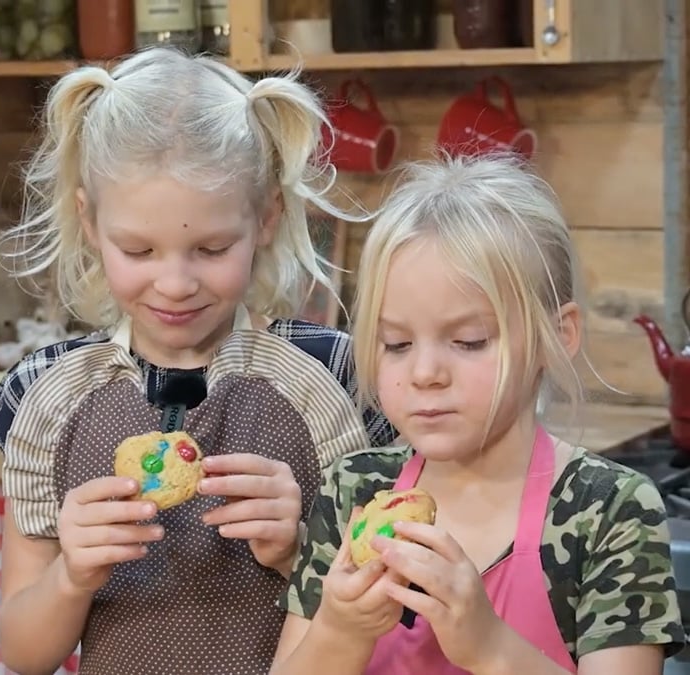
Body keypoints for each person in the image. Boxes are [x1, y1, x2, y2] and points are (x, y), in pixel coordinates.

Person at [0, 46, 395, 675]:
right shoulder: (47, 393)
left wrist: (298, 549)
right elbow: (23, 653)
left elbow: (402, 621)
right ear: (90, 222)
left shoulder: (338, 379)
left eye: (211, 247)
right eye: (139, 250)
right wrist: (72, 576)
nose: (175, 283)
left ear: (268, 217)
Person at [273, 153, 685, 674]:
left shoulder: (607, 512)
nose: (425, 372)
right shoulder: (354, 490)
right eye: (396, 343)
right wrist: (340, 629)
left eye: (468, 342)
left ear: (556, 338)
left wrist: (490, 646)